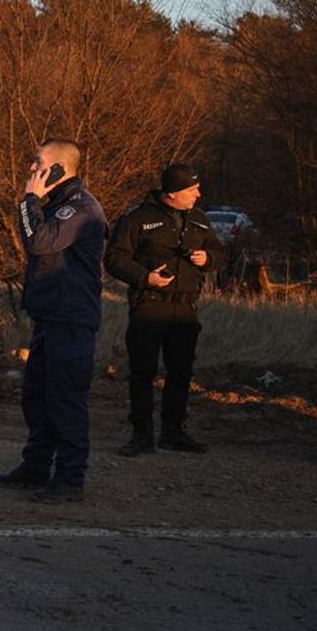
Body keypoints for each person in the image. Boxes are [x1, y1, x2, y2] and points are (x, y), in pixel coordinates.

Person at [0, 139, 108, 503]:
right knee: (38, 398)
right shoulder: (59, 206)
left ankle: (70, 479)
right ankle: (36, 467)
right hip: (51, 318)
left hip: (71, 320)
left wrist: (29, 200)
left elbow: (39, 243)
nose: (32, 169)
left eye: (38, 163)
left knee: (65, 400)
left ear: (58, 168)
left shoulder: (80, 209)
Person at [105, 163, 225, 456]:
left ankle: (173, 433)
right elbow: (115, 258)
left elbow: (221, 253)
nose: (199, 194)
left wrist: (206, 258)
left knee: (181, 372)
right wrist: (145, 278)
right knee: (143, 373)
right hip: (149, 307)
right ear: (172, 193)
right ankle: (141, 435)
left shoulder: (199, 220)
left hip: (185, 309)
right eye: (192, 189)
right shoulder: (136, 219)